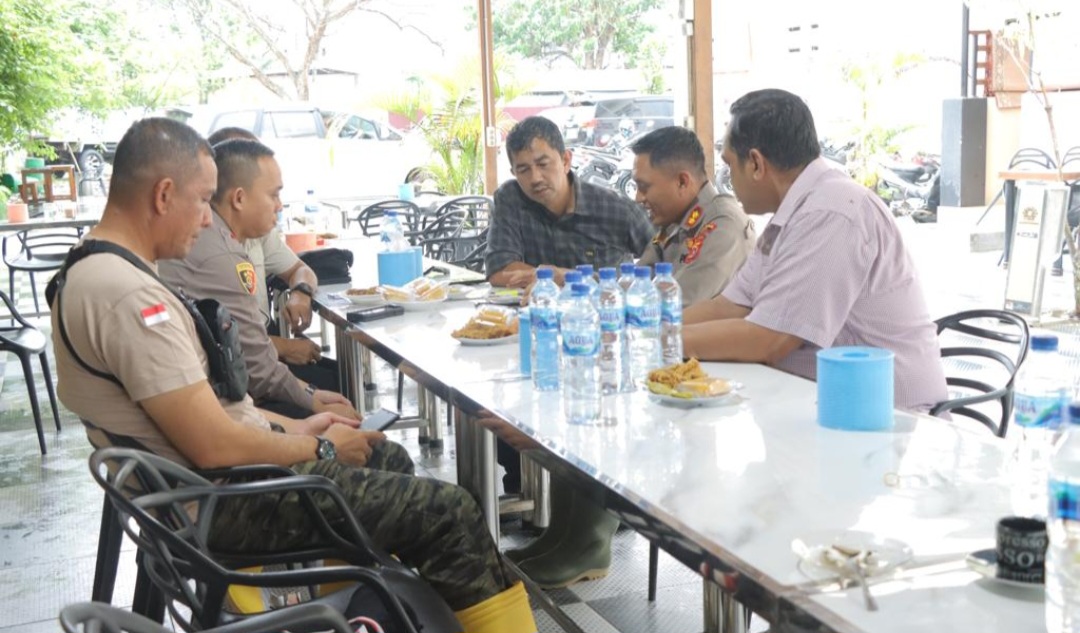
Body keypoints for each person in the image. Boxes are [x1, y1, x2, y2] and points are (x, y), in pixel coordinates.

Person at [48, 117, 535, 633]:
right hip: (225, 503)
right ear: (164, 194)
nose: (209, 222)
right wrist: (320, 450)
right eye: (203, 201)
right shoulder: (130, 298)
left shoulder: (94, 269)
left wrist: (302, 428)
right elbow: (214, 446)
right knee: (449, 513)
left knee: (383, 455)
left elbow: (205, 406)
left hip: (206, 489)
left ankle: (390, 606)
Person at [683, 89, 948, 411]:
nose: (727, 179)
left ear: (755, 163)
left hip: (887, 418)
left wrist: (656, 342)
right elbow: (730, 306)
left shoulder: (832, 212)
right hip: (821, 403)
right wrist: (645, 327)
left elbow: (770, 340)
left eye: (728, 164)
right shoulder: (794, 213)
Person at [159, 139, 355, 420]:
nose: (279, 206)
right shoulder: (221, 256)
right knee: (371, 443)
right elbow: (261, 371)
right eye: (273, 195)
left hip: (225, 391)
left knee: (334, 384)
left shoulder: (223, 238)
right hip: (231, 407)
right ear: (239, 198)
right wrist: (312, 399)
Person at [205, 126, 335, 388]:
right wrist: (285, 350)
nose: (280, 205)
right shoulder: (208, 249)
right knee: (333, 386)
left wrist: (300, 291)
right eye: (272, 193)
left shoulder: (256, 230)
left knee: (337, 377)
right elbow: (221, 343)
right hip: (240, 364)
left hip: (261, 341)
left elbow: (300, 268)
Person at [485, 115, 653, 288]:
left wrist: (569, 278)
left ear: (566, 161)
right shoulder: (512, 198)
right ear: (513, 172)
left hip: (604, 310)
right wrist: (549, 279)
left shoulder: (615, 209)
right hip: (535, 312)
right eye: (523, 169)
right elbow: (499, 269)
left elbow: (666, 265)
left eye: (543, 164)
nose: (535, 178)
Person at [631, 125, 757, 305]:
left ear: (682, 182)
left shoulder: (724, 225)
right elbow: (639, 282)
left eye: (644, 187)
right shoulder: (673, 221)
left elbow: (676, 305)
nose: (638, 198)